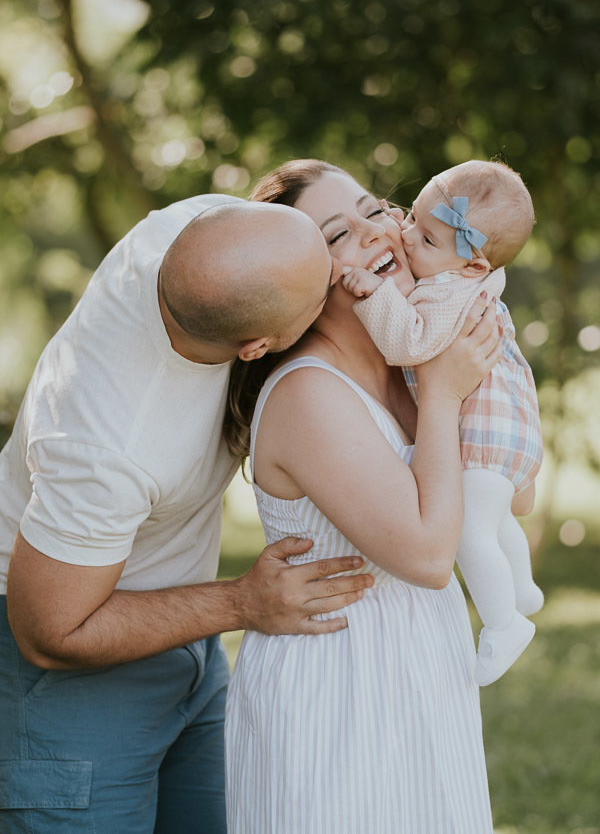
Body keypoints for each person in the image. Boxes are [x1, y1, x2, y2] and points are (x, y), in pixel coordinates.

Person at [0, 194, 374, 833]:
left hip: (187, 638)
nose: (342, 276)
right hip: (72, 665)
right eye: (323, 288)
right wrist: (240, 605)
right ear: (258, 345)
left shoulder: (191, 228)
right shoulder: (105, 446)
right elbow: (50, 633)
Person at [224, 159, 509, 833]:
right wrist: (444, 394)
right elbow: (429, 554)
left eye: (374, 209)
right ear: (294, 277)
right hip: (340, 687)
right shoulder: (309, 392)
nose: (376, 233)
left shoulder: (407, 372)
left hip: (422, 670)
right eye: (336, 232)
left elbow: (511, 500)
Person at [341, 159, 544, 685]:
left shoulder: (449, 290)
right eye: (411, 219)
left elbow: (410, 342)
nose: (407, 238)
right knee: (497, 519)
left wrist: (372, 293)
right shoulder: (470, 271)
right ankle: (522, 586)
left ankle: (503, 624)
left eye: (426, 241)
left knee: (469, 530)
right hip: (510, 428)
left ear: (472, 266)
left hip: (486, 433)